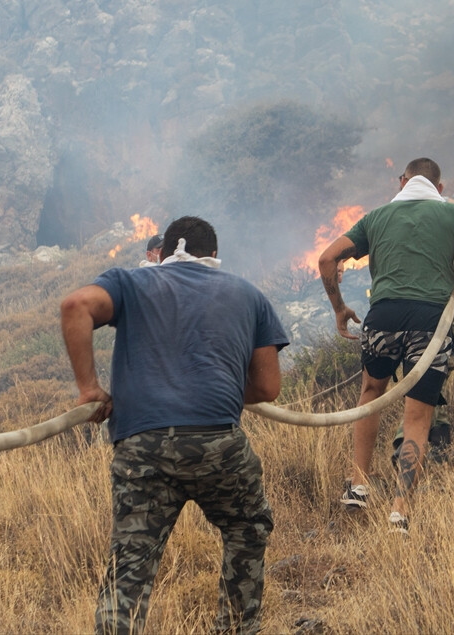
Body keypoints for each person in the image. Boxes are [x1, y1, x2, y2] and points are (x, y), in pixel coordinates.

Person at [60, 216, 289, 635]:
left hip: (142, 446)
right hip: (218, 444)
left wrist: (89, 389)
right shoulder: (248, 294)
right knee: (247, 527)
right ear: (214, 257)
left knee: (131, 560)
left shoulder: (131, 283)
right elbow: (268, 386)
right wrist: (208, 392)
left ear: (161, 254)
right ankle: (238, 628)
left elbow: (75, 306)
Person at [317, 157, 454, 533]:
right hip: (430, 323)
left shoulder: (375, 217)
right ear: (440, 188)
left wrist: (340, 308)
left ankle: (358, 484)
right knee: (417, 416)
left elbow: (327, 258)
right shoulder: (453, 212)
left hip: (383, 317)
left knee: (371, 394)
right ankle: (400, 510)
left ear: (401, 181)